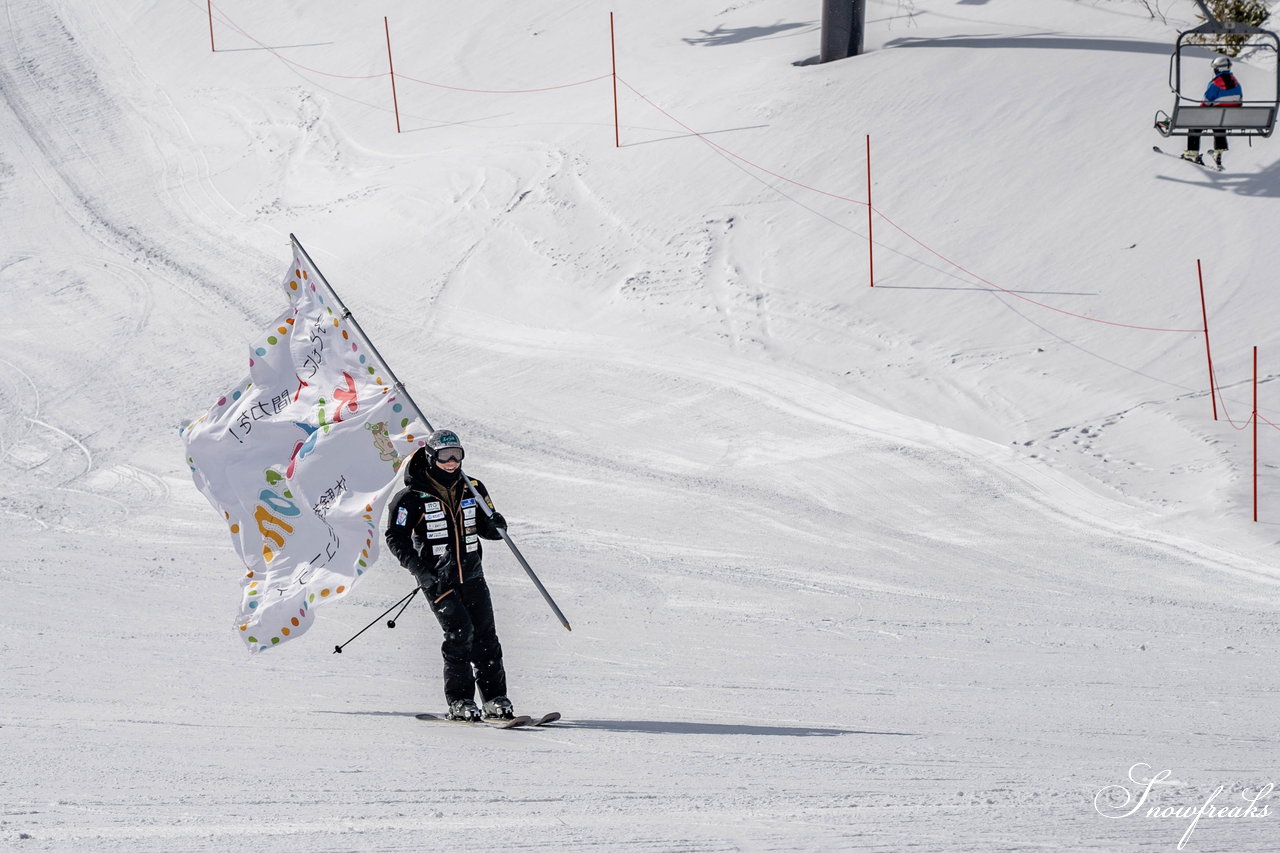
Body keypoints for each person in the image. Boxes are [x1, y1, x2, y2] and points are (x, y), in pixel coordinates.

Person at [385, 429, 513, 721]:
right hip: (437, 578)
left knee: (486, 637)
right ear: (431, 456)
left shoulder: (473, 487)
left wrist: (496, 525)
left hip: (472, 574)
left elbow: (486, 528)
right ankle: (460, 701)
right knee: (460, 634)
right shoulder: (410, 497)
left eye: (457, 454)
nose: (452, 462)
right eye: (445, 456)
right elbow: (396, 537)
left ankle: (495, 699)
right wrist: (420, 571)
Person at [1184, 55, 1242, 167]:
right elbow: (1239, 102)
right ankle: (1219, 150)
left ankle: (1192, 153)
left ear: (1218, 69)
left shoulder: (1215, 84)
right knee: (1220, 120)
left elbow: (1205, 102)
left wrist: (1201, 111)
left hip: (1214, 116)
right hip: (1228, 118)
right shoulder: (1236, 84)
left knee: (1195, 122)